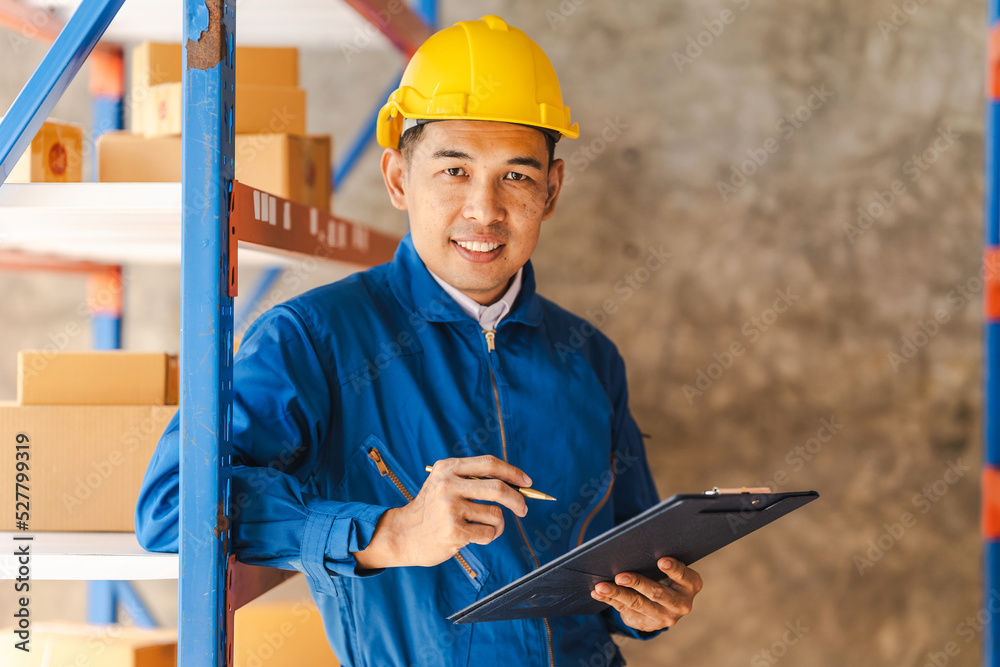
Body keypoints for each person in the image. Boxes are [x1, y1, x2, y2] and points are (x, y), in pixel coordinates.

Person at [135, 14, 702, 666]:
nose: (484, 210)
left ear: (553, 189)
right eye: (454, 171)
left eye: (516, 176)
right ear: (399, 178)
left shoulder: (590, 356)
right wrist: (388, 532)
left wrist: (648, 607)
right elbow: (171, 505)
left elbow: (628, 557)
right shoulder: (315, 339)